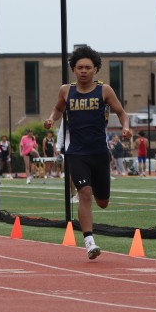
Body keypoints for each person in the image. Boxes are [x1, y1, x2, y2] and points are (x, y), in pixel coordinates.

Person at [44, 45, 132, 259]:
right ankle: (89, 242)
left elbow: (121, 113)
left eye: (87, 67)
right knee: (84, 193)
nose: (83, 71)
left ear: (95, 69)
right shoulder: (66, 90)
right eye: (79, 67)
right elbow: (58, 108)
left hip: (99, 152)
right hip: (76, 152)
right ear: (74, 69)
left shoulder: (104, 90)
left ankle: (95, 218)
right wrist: (51, 118)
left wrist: (126, 127)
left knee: (102, 202)